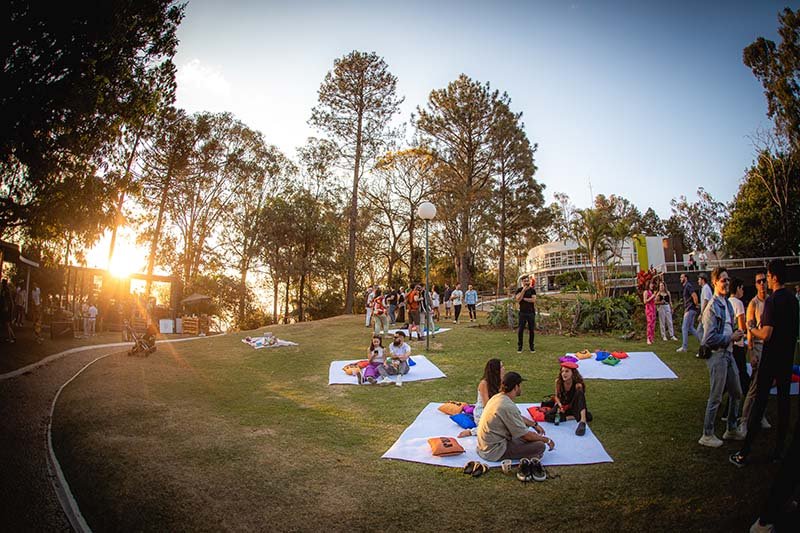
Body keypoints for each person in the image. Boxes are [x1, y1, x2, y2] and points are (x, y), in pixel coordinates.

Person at [731, 259, 799, 466]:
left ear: (774, 277)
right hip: (787, 357)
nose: (766, 281)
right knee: (784, 403)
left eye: (767, 277)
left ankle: (744, 452)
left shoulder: (773, 301)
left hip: (771, 359)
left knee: (760, 402)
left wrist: (751, 329)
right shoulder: (793, 300)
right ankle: (779, 451)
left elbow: (767, 333)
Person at [697, 267, 744, 448]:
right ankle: (707, 434)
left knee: (737, 392)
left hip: (729, 353)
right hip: (717, 355)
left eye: (727, 280)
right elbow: (708, 338)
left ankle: (731, 428)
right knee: (716, 396)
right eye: (723, 280)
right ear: (715, 282)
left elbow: (727, 328)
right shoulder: (712, 307)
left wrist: (735, 334)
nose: (726, 283)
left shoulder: (727, 304)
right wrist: (730, 338)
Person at [476, 372, 552, 482]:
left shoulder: (498, 398)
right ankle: (527, 462)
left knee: (529, 437)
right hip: (494, 451)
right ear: (516, 387)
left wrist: (533, 424)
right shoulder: (506, 406)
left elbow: (517, 417)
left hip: (484, 445)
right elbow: (526, 436)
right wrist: (546, 440)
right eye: (520, 385)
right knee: (539, 446)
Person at [739, 270, 771, 432]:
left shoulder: (771, 301)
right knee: (755, 387)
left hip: (770, 346)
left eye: (764, 280)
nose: (762, 284)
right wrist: (751, 353)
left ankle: (761, 415)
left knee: (766, 385)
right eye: (758, 281)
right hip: (758, 345)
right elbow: (749, 330)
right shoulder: (753, 304)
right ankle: (744, 420)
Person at [721, 278, 749, 424]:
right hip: (737, 344)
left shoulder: (726, 302)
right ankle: (733, 412)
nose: (743, 291)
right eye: (742, 288)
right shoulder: (737, 303)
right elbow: (742, 325)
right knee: (741, 378)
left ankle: (726, 408)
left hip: (728, 344)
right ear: (737, 288)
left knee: (731, 377)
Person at [552, 361, 592, 436]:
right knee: (549, 416)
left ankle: (582, 421)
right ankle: (574, 417)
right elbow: (556, 396)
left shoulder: (578, 384)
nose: (564, 373)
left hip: (573, 405)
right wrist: (560, 405)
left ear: (573, 373)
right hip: (563, 406)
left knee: (580, 393)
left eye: (567, 371)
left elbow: (581, 400)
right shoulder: (558, 381)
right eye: (562, 371)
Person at [677, 273, 701, 353]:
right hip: (690, 309)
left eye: (682, 277)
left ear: (686, 278)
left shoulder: (688, 286)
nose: (680, 278)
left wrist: (696, 304)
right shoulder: (686, 286)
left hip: (690, 309)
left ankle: (684, 347)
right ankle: (703, 342)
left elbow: (694, 295)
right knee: (690, 327)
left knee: (684, 328)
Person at [515, 276, 536, 353]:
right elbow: (518, 299)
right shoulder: (519, 290)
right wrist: (523, 291)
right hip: (522, 313)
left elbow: (533, 300)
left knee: (531, 330)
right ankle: (520, 347)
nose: (526, 282)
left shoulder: (532, 290)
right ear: (522, 282)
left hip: (531, 313)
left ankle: (531, 347)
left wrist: (523, 299)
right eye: (525, 281)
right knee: (520, 330)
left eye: (527, 281)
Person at [0, 279, 15, 343]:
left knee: (7, 323)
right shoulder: (8, 289)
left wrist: (5, 307)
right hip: (9, 307)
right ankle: (13, 336)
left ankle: (10, 338)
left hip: (7, 308)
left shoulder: (4, 290)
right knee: (7, 323)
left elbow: (5, 299)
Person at [643, 279, 657, 345]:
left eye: (653, 284)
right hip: (649, 309)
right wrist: (652, 296)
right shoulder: (646, 292)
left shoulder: (651, 292)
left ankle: (652, 338)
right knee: (649, 323)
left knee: (653, 324)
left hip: (653, 308)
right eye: (651, 284)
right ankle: (648, 338)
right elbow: (645, 301)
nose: (652, 285)